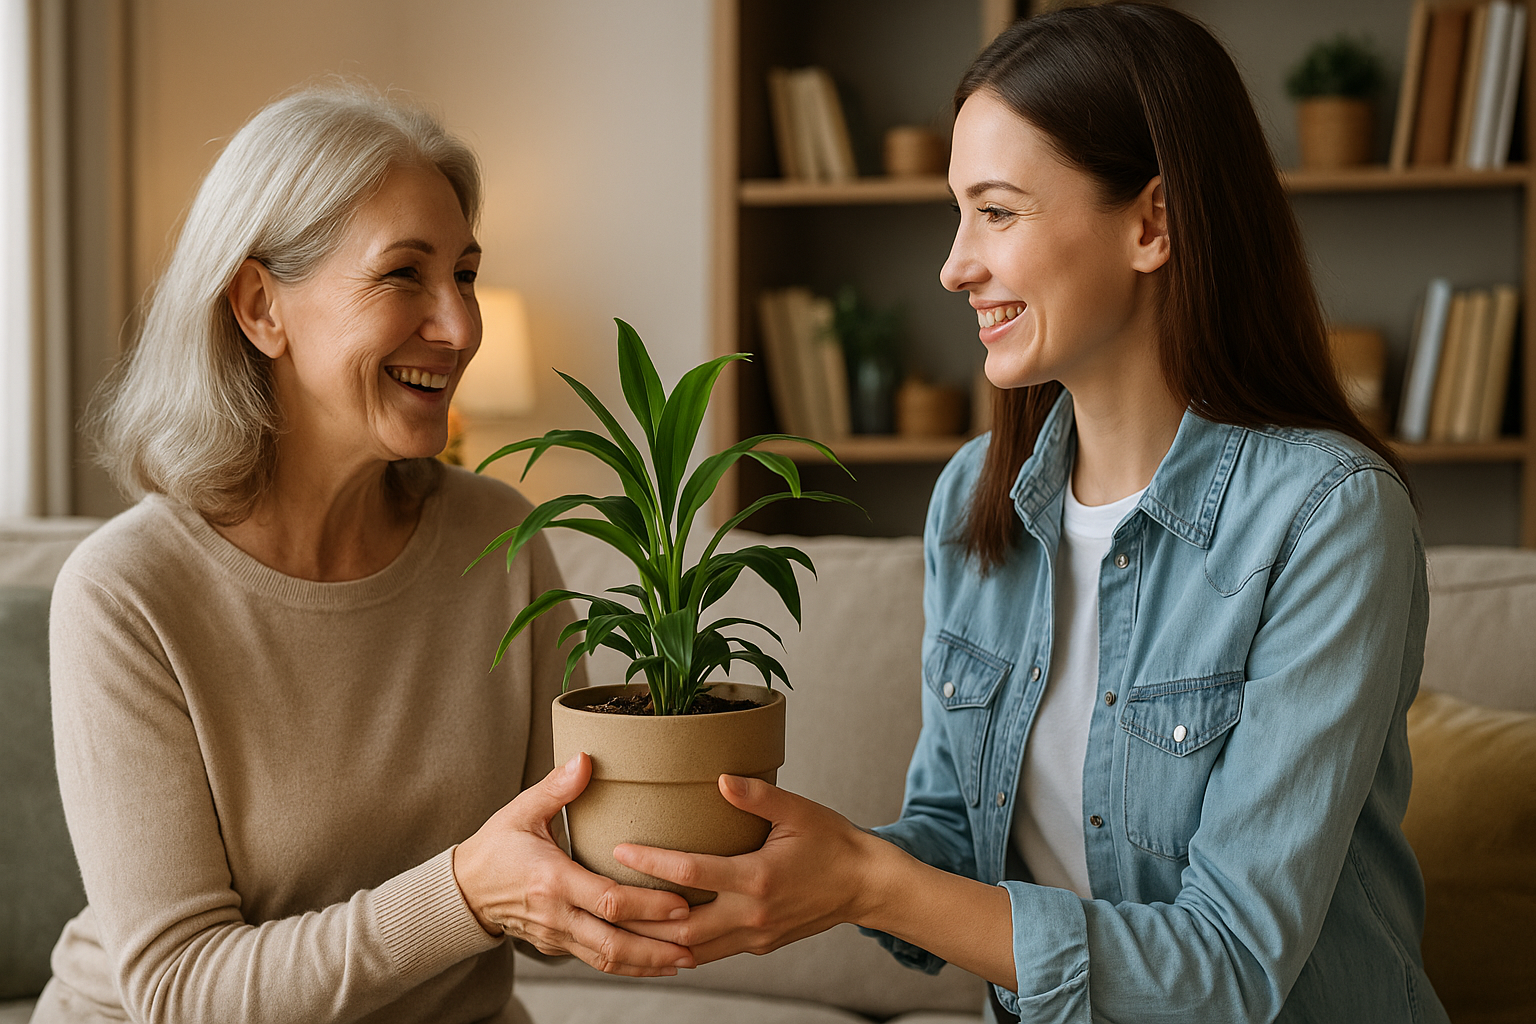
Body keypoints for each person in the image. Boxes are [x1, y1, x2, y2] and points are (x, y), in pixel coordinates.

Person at [612, 7, 1452, 1023]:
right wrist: (767, 851)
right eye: (957, 214)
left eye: (997, 212)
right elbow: (952, 837)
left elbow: (1232, 967)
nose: (954, 265)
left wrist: (866, 881)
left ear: (1153, 222)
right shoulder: (976, 498)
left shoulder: (1329, 515)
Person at [38, 87, 695, 1024]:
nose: (461, 327)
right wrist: (463, 894)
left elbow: (567, 853)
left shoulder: (497, 540)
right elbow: (180, 991)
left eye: (465, 274)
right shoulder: (127, 593)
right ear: (261, 306)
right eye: (404, 276)